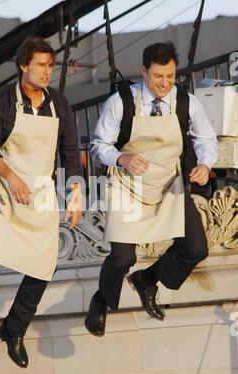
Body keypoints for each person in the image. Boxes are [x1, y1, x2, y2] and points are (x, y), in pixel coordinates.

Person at [0, 36, 82, 369]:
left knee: (43, 267)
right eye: (40, 65)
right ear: (23, 65)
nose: (46, 72)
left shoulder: (59, 104)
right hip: (4, 191)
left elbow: (70, 154)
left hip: (39, 194)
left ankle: (14, 328)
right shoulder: (3, 100)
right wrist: (11, 178)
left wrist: (76, 193)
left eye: (50, 66)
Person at [85, 42, 218, 337]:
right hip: (127, 186)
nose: (164, 83)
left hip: (168, 184)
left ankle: (147, 280)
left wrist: (206, 165)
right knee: (122, 259)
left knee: (195, 248)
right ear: (144, 71)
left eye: (170, 76)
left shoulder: (187, 103)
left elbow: (206, 140)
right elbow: (97, 146)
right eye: (159, 76)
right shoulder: (121, 102)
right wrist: (122, 157)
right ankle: (101, 301)